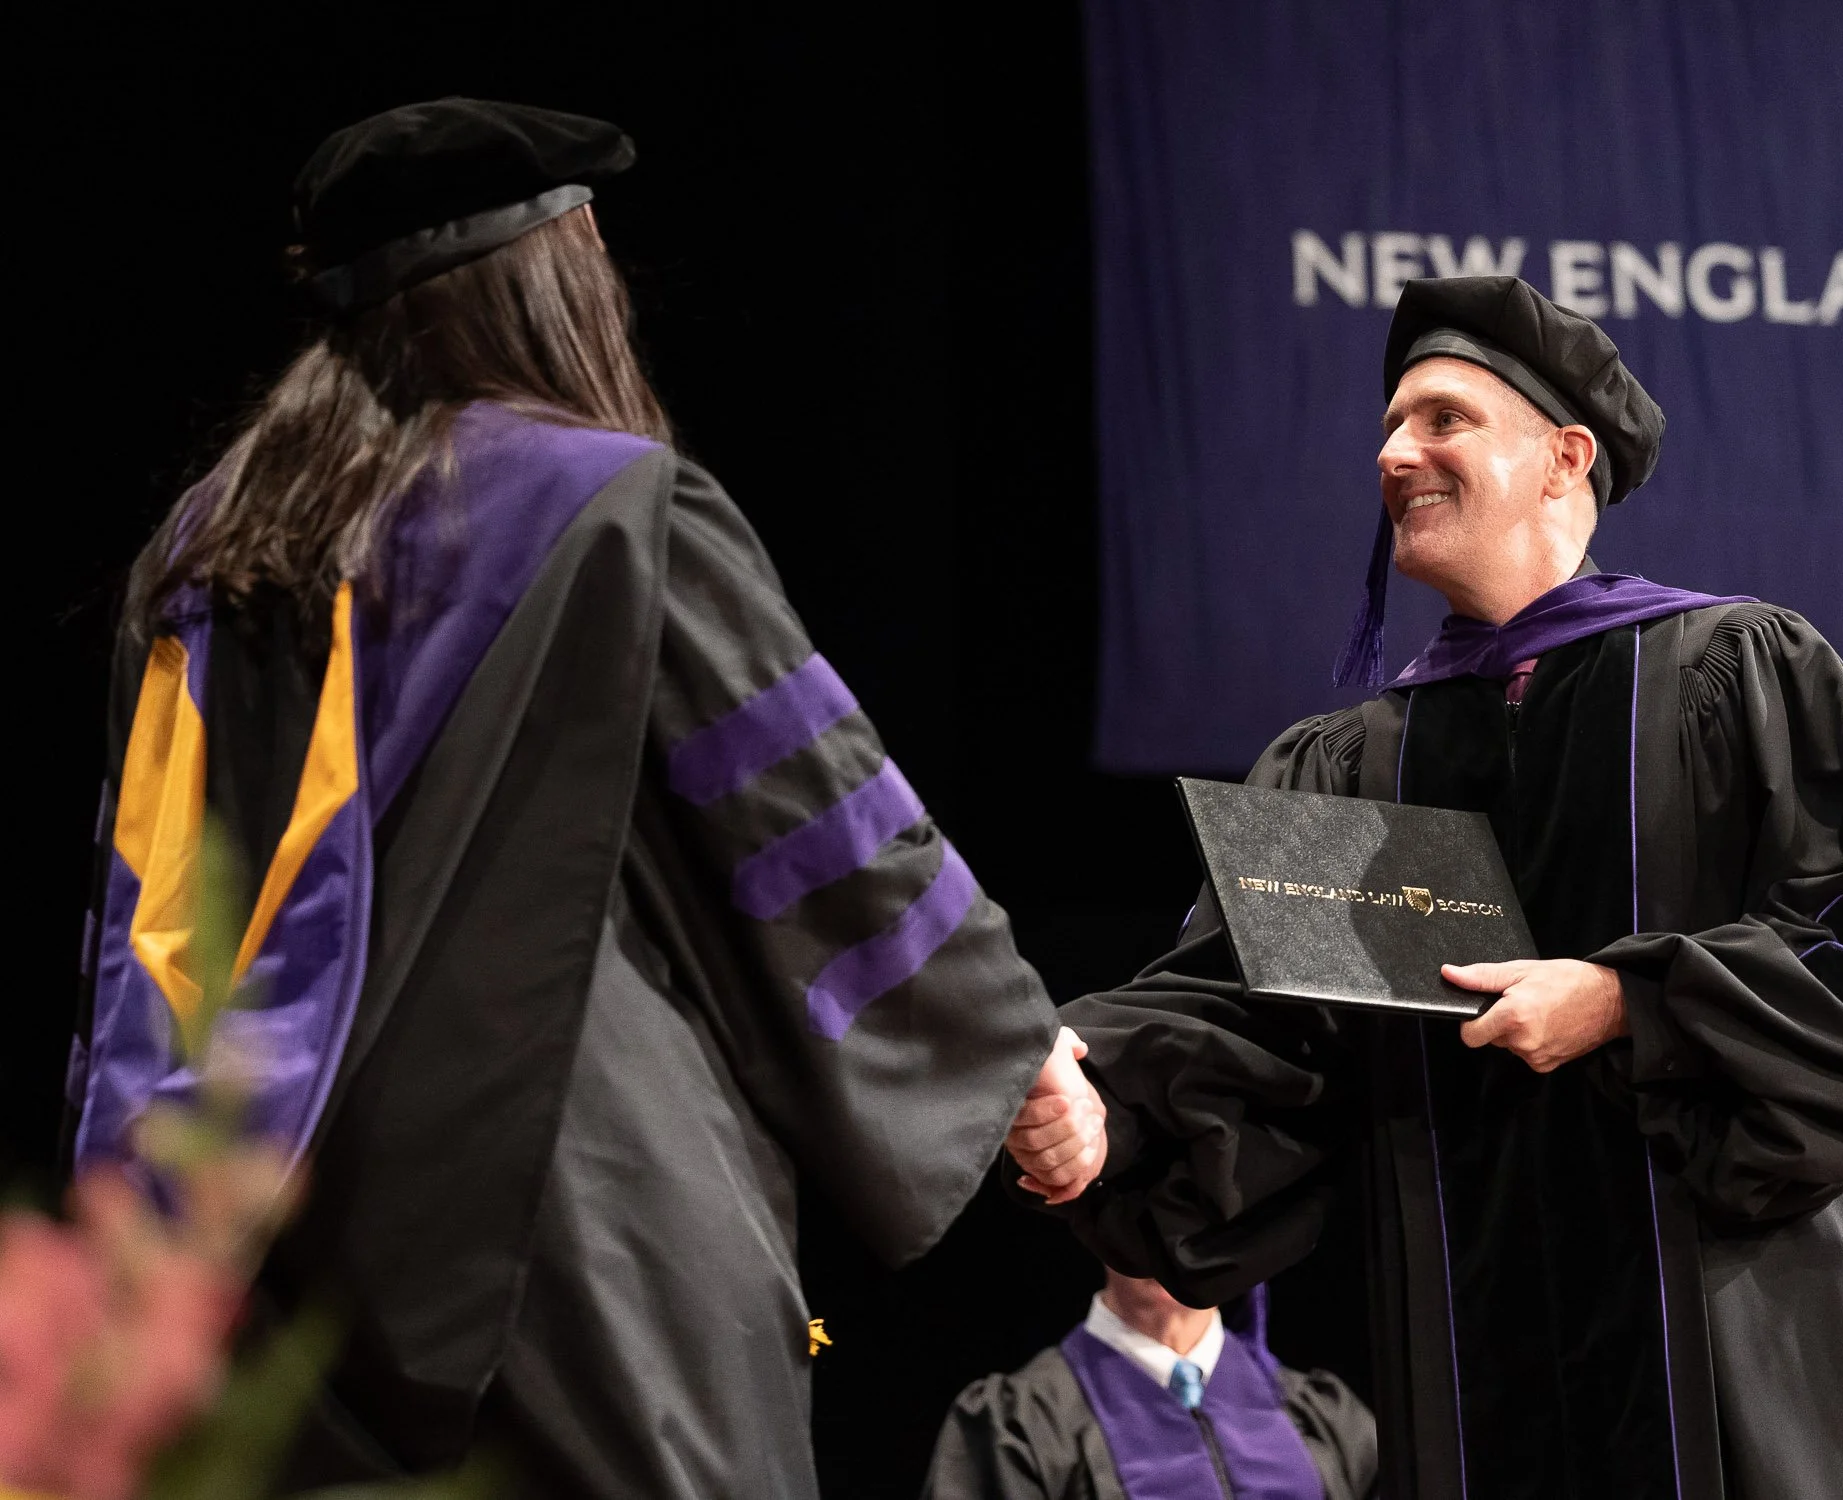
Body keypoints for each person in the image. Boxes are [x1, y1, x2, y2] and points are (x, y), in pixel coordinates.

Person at [63, 98, 1098, 1498]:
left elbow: (158, 902)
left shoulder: (209, 548)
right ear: (549, 285)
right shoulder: (606, 505)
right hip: (574, 1217)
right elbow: (811, 813)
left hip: (282, 1231)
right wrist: (1009, 1046)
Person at [1008, 275, 1843, 1500]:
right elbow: (1253, 1030)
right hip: (1480, 1375)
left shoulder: (1739, 674)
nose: (1393, 455)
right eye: (1389, 427)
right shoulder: (1352, 768)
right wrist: (1101, 1099)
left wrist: (1630, 1003)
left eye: (1443, 420)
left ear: (1563, 459)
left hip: (1759, 1357)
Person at [924, 1272, 1376, 1499]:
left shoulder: (1323, 1415)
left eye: (1193, 1204)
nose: (1167, 1238)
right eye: (1141, 1200)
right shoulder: (1017, 1424)